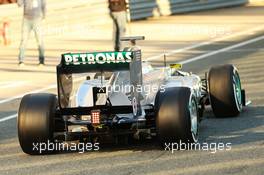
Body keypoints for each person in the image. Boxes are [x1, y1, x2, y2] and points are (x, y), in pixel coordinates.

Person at [17, 0, 46, 66]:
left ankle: (41, 61)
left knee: (40, 40)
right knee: (24, 40)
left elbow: (44, 5)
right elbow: (19, 4)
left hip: (37, 19)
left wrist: (44, 17)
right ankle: (21, 60)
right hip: (26, 19)